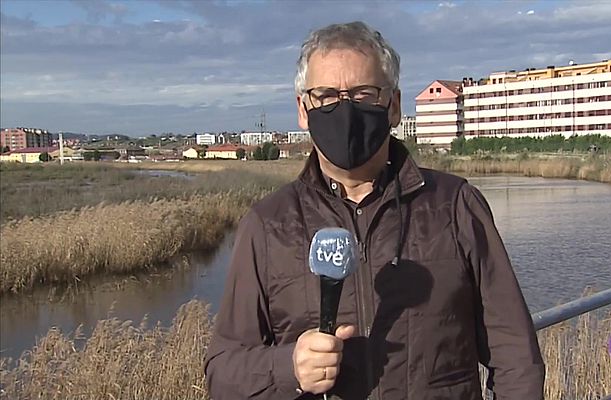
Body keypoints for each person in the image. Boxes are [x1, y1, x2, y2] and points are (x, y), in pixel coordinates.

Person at [204, 21, 545, 400]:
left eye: (364, 94)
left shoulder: (455, 205)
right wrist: (289, 368)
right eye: (327, 96)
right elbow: (224, 372)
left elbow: (515, 355)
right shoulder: (268, 225)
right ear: (303, 110)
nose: (345, 109)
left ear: (394, 106)